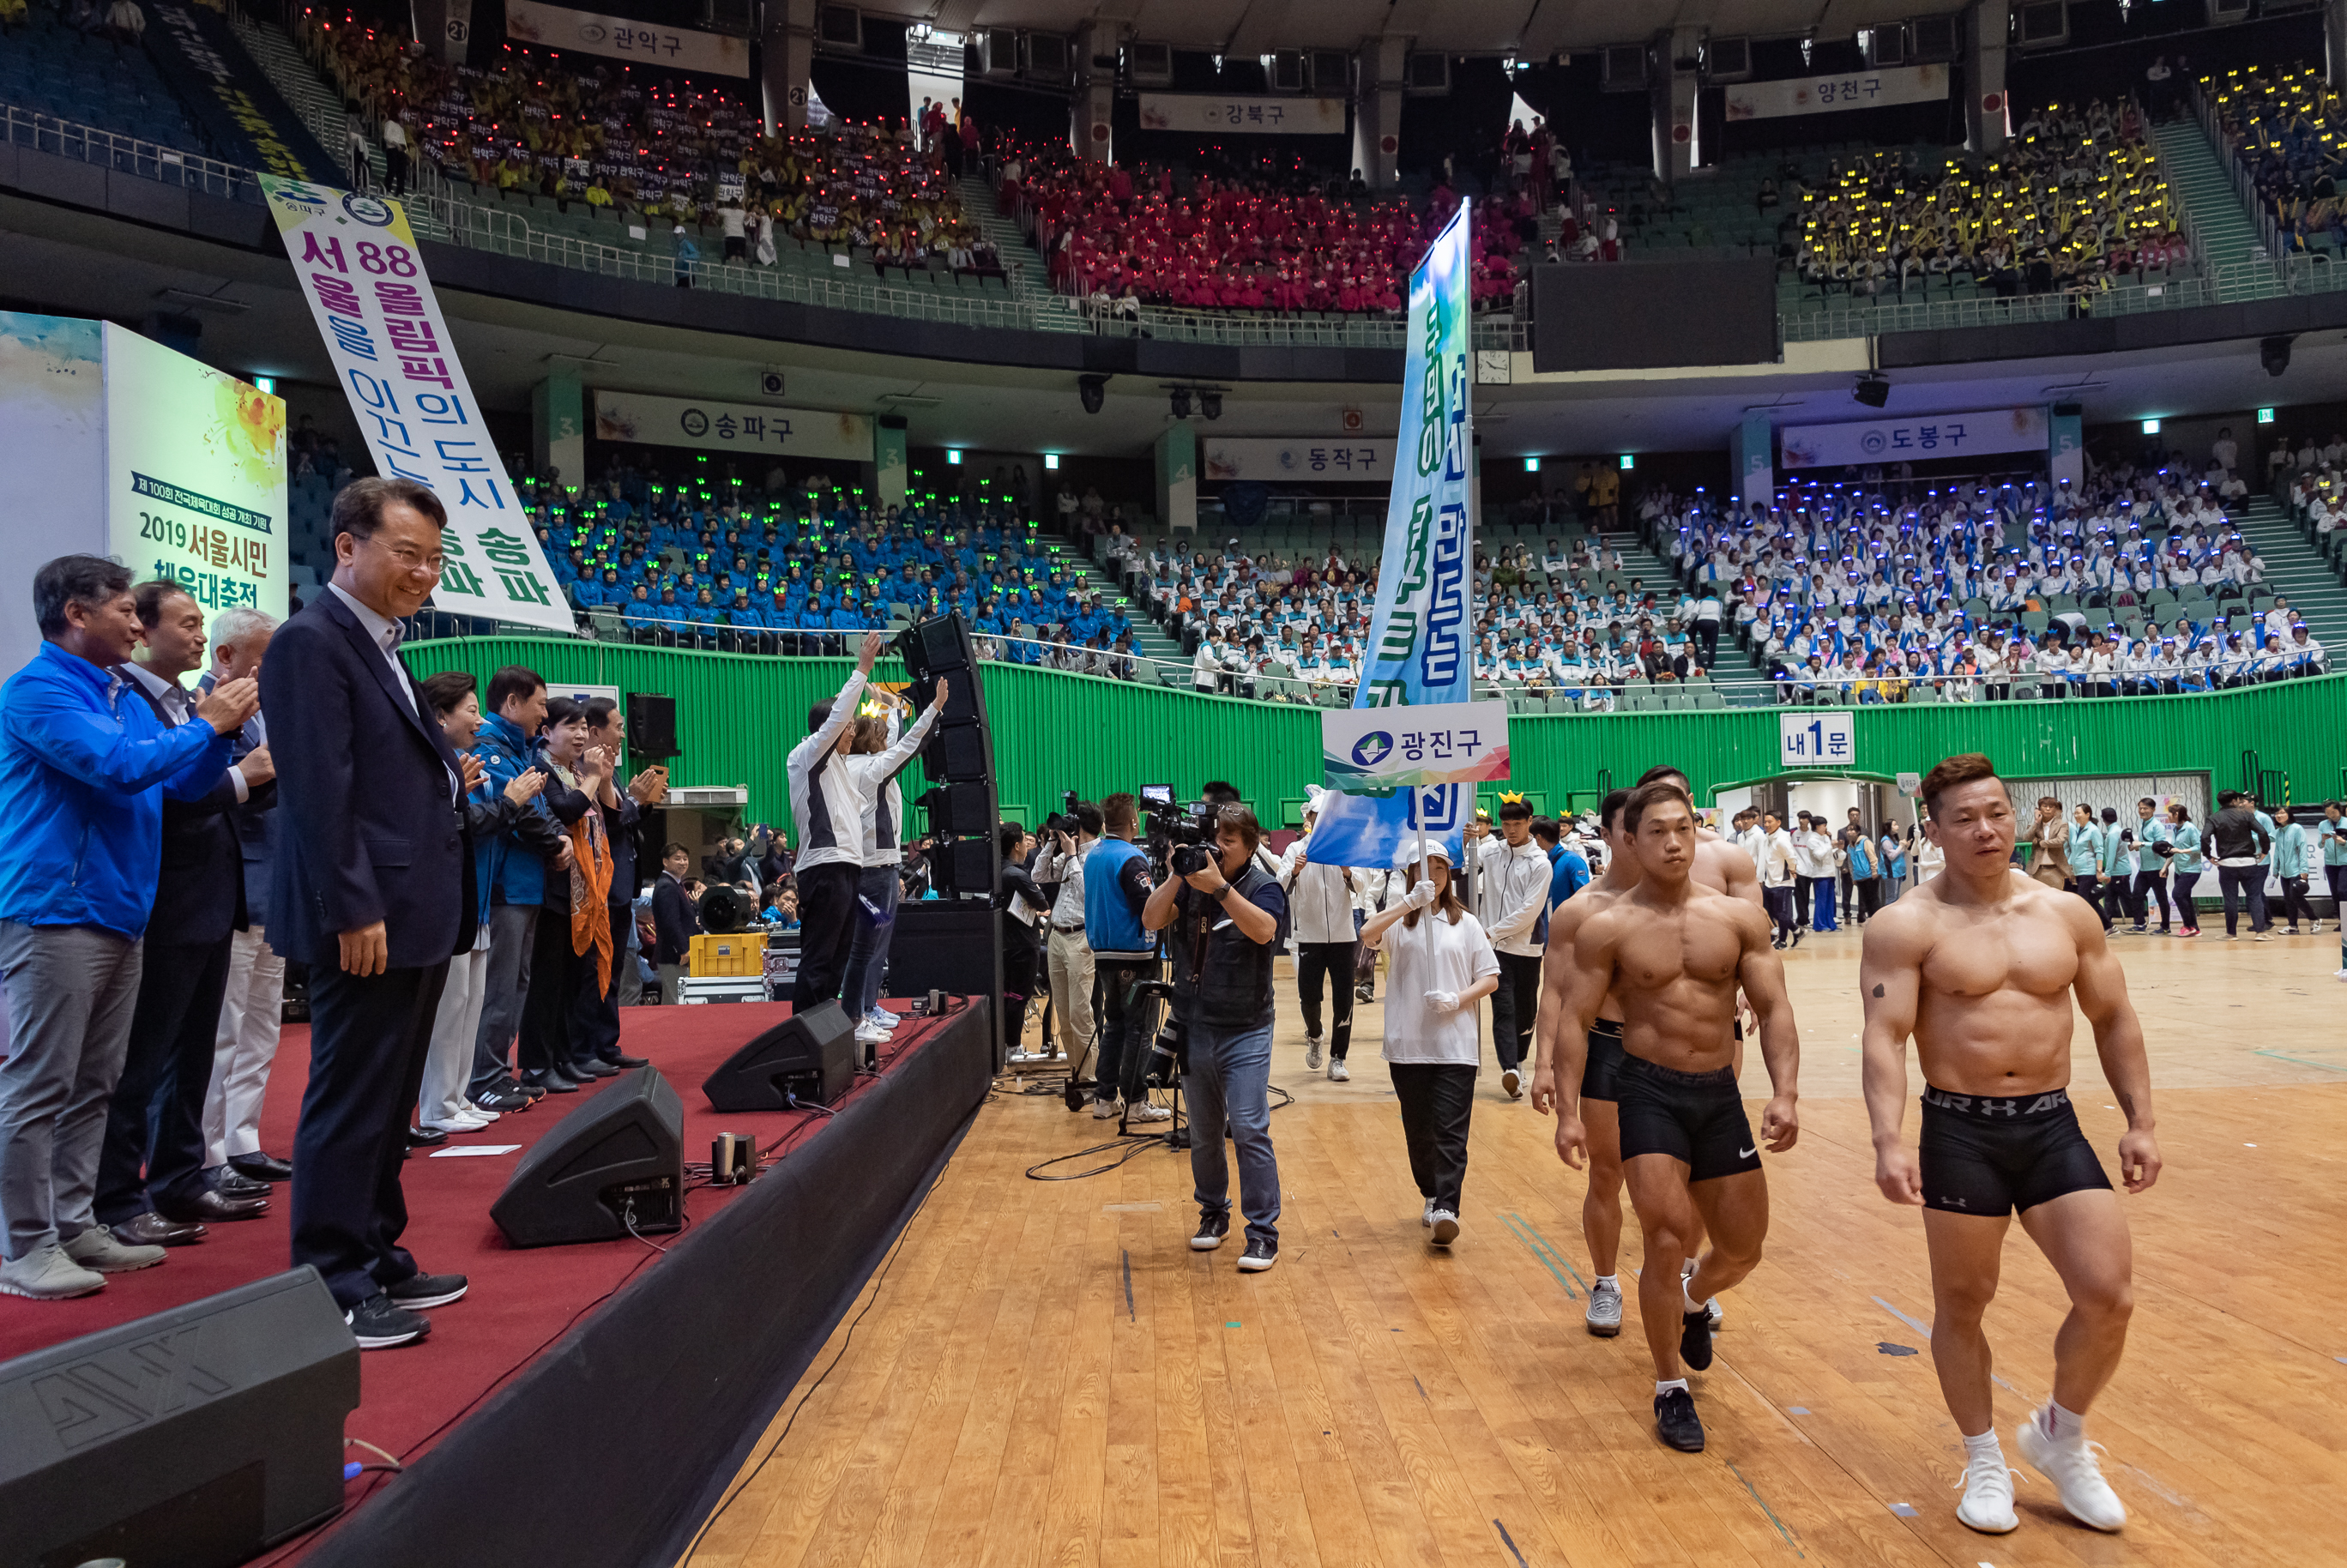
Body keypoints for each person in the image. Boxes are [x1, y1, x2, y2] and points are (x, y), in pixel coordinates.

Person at [1861, 752, 2160, 1536]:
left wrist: (2141, 1120)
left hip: (2051, 1121)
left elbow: (2114, 1018)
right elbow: (1885, 1037)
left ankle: (2060, 1434)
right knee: (1964, 1303)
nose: (1986, 829)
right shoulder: (1906, 925)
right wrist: (1889, 1138)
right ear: (1934, 829)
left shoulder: (2065, 913)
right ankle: (1985, 1456)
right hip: (1959, 1128)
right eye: (1965, 818)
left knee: (2108, 1295)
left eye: (1997, 813)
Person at [0, 556, 255, 1299]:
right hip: (56, 910)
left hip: (120, 909)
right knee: (41, 1083)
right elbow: (113, 768)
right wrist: (209, 722)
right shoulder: (40, 689)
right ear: (77, 614)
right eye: (125, 611)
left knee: (97, 1083)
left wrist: (217, 737)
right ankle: (22, 1246)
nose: (138, 626)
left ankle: (76, 1222)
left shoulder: (123, 695)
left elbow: (176, 783)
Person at [262, 476, 475, 1349]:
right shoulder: (312, 644)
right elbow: (319, 794)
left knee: (389, 1100)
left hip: (414, 908)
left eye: (433, 558)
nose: (423, 573)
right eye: (406, 554)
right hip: (367, 917)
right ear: (347, 548)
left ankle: (377, 1248)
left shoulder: (382, 642)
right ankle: (329, 1278)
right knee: (351, 1097)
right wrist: (352, 906)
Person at [1546, 780, 1801, 1452]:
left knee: (1744, 1248)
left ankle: (1693, 1300)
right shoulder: (1607, 926)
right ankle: (1669, 1388)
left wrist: (1786, 1093)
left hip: (1718, 1093)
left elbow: (1773, 1010)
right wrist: (1568, 1109)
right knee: (1664, 1235)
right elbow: (1573, 1018)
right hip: (1646, 1090)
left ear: (1698, 831)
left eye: (1683, 827)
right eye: (1657, 830)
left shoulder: (1739, 920)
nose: (1673, 841)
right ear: (1630, 839)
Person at [93, 582, 280, 1241]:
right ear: (143, 630)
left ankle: (179, 1178)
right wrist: (240, 769)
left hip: (212, 891)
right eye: (187, 623)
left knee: (193, 1052)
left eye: (203, 623)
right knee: (143, 1058)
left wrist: (253, 771)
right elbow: (164, 794)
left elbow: (207, 787)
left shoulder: (184, 703)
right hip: (165, 894)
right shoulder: (129, 699)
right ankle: (117, 1196)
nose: (199, 636)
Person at [1143, 805, 1288, 1272]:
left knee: (1248, 1127)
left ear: (1249, 845)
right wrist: (1176, 877)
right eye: (1214, 839)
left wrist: (1221, 889)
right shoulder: (1189, 885)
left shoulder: (1262, 887)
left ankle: (1263, 1233)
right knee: (1204, 1133)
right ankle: (1212, 1215)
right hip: (1194, 1024)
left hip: (1246, 1027)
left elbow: (1265, 932)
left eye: (1228, 841)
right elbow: (1150, 921)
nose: (1218, 848)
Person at [1529, 788, 1639, 1337]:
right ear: (1616, 835)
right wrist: (1544, 1063)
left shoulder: (1697, 904)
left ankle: (1691, 1280)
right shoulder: (1580, 911)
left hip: (1674, 1053)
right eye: (1636, 827)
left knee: (1683, 1177)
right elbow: (1555, 994)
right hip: (1609, 1049)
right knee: (1607, 1172)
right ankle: (1605, 1282)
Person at [416, 671, 546, 1133]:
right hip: (456, 896)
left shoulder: (462, 762)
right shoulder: (435, 761)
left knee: (469, 1003)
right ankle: (438, 1105)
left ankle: (456, 1098)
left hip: (480, 896)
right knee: (452, 1007)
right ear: (440, 716)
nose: (478, 719)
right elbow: (461, 822)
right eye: (470, 711)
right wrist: (509, 802)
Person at [1359, 840, 1498, 1246]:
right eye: (1424, 869)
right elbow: (1367, 934)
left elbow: (1489, 977)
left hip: (1456, 1046)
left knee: (1452, 1131)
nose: (1433, 877)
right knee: (1420, 1131)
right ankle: (1431, 1192)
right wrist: (1407, 904)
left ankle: (1447, 1208)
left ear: (1450, 875)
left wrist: (1458, 999)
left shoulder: (1466, 924)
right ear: (1410, 874)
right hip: (1408, 1044)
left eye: (1440, 870)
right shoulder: (1399, 926)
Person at [196, 607, 293, 1191]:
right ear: (226, 656)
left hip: (274, 885)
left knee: (262, 1022)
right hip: (230, 887)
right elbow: (202, 793)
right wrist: (259, 774)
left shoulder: (267, 712)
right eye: (264, 657)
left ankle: (244, 1138)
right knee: (224, 1027)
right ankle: (208, 1152)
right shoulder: (201, 711)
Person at [466, 666, 575, 1109]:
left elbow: (541, 806)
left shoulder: (521, 750)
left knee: (517, 986)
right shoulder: (489, 749)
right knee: (498, 988)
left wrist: (559, 839)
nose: (544, 715)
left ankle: (498, 1073)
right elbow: (522, 812)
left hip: (529, 883)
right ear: (512, 703)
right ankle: (483, 1078)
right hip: (506, 884)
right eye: (540, 704)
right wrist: (555, 841)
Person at [787, 631, 890, 1009]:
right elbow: (838, 719)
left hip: (847, 865)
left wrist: (882, 707)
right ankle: (807, 1033)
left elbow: (876, 735)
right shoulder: (807, 754)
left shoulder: (841, 768)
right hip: (823, 867)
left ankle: (828, 1031)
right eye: (848, 727)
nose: (852, 733)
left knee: (838, 960)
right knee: (819, 958)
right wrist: (862, 669)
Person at [840, 684, 945, 1047]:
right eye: (881, 736)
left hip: (879, 866)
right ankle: (859, 1015)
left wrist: (890, 707)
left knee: (877, 943)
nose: (887, 741)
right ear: (872, 742)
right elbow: (908, 745)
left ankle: (868, 1005)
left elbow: (896, 740)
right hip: (874, 868)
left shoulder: (860, 764)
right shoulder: (870, 768)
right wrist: (932, 709)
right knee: (867, 946)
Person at [579, 697, 666, 1062]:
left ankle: (606, 1045)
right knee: (597, 974)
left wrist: (638, 804)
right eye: (618, 726)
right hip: (599, 888)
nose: (623, 733)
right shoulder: (589, 772)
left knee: (612, 972)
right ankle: (591, 1048)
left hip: (618, 888)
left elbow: (621, 823)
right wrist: (633, 799)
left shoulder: (609, 771)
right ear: (596, 731)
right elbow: (607, 824)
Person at [1084, 793, 1161, 1113]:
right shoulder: (1131, 858)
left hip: (1103, 955)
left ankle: (1104, 1098)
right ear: (1134, 822)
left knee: (1114, 1024)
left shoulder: (1094, 854)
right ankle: (1136, 1101)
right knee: (1140, 1030)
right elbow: (1149, 909)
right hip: (1135, 957)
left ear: (1104, 823)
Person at [1280, 793, 1362, 1079]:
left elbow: (1362, 885)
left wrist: (1347, 870)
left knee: (1344, 1001)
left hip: (1343, 935)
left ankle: (1338, 1058)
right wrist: (1295, 870)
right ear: (1309, 819)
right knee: (1309, 998)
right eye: (1317, 816)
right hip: (1309, 936)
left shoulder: (1345, 847)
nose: (1322, 822)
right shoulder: (1295, 849)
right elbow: (1280, 885)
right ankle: (1314, 1036)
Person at [1476, 795, 1552, 1098]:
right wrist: (1466, 841)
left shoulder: (1540, 863)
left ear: (1530, 823)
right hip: (1495, 950)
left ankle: (1520, 1061)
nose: (1511, 830)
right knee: (1503, 1007)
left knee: (1525, 1010)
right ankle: (1510, 1068)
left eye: (1517, 824)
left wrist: (1491, 931)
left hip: (1527, 949)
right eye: (1506, 824)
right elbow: (1461, 865)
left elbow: (1529, 911)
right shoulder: (1490, 852)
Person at [995, 822, 1051, 1057]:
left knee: (1007, 997)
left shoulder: (996, 870)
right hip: (1023, 945)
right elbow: (1043, 903)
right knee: (1019, 997)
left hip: (1004, 944)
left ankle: (1007, 1045)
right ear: (1017, 845)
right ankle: (1013, 1047)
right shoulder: (1016, 874)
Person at [2207, 789, 2273, 939]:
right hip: (2249, 862)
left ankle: (2231, 933)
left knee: (2230, 899)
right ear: (2234, 801)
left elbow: (2205, 837)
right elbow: (2263, 833)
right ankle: (2260, 932)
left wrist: (2208, 855)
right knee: (2254, 896)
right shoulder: (2247, 815)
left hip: (2227, 864)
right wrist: (2265, 851)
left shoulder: (2214, 818)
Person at [650, 843, 698, 1002]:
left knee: (674, 1000)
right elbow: (670, 922)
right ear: (665, 861)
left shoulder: (675, 884)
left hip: (677, 953)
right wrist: (683, 949)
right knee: (675, 1001)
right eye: (677, 859)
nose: (683, 862)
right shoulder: (666, 886)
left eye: (685, 859)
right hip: (673, 954)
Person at [2128, 798, 2172, 935]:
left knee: (2161, 898)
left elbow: (2160, 844)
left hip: (2157, 868)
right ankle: (2140, 924)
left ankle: (2165, 927)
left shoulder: (2156, 826)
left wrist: (2140, 844)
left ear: (2153, 810)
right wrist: (2136, 847)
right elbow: (2146, 843)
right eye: (2140, 808)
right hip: (2144, 869)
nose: (2142, 811)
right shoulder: (2143, 824)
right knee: (2137, 895)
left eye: (2145, 808)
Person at [1756, 810, 1798, 948]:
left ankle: (1783, 940)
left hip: (1782, 881)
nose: (1766, 824)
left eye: (1770, 822)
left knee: (1781, 913)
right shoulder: (1768, 837)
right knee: (1770, 911)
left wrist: (1792, 869)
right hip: (1770, 881)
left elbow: (1791, 857)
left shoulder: (1781, 839)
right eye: (1765, 822)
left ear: (1778, 823)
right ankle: (1797, 930)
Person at [2270, 805, 2314, 936]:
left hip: (2296, 871)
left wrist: (2304, 870)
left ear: (2289, 815)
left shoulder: (2297, 829)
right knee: (2288, 900)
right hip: (2284, 872)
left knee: (2296, 897)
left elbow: (2302, 850)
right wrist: (2276, 870)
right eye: (2277, 813)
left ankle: (2314, 919)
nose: (2279, 815)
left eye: (2282, 813)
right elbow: (2277, 852)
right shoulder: (2278, 832)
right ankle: (2293, 926)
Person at [2066, 805, 2109, 930]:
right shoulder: (2076, 830)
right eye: (2075, 813)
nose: (2076, 815)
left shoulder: (2093, 830)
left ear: (2087, 814)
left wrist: (2099, 871)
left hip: (2089, 871)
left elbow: (2099, 851)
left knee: (2083, 901)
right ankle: (2107, 926)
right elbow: (2073, 850)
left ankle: (2086, 929)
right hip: (2078, 871)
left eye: (2079, 813)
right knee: (2090, 901)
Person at [2164, 804, 2203, 938]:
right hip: (2180, 869)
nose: (2167, 816)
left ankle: (2187, 926)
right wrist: (2165, 866)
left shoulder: (2190, 828)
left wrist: (2182, 851)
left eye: (2170, 813)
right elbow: (2174, 850)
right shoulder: (2176, 829)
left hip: (2191, 869)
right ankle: (2194, 927)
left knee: (2178, 894)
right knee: (2185, 897)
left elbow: (2199, 847)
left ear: (2177, 814)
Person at [2028, 798, 2071, 892]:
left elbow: (2060, 841)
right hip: (2037, 870)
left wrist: (2041, 842)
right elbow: (2026, 837)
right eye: (2045, 806)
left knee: (2056, 899)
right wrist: (2036, 822)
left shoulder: (2062, 824)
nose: (2048, 809)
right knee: (2038, 899)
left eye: (2051, 807)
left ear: (2055, 810)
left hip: (2056, 869)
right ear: (2039, 809)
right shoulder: (2036, 825)